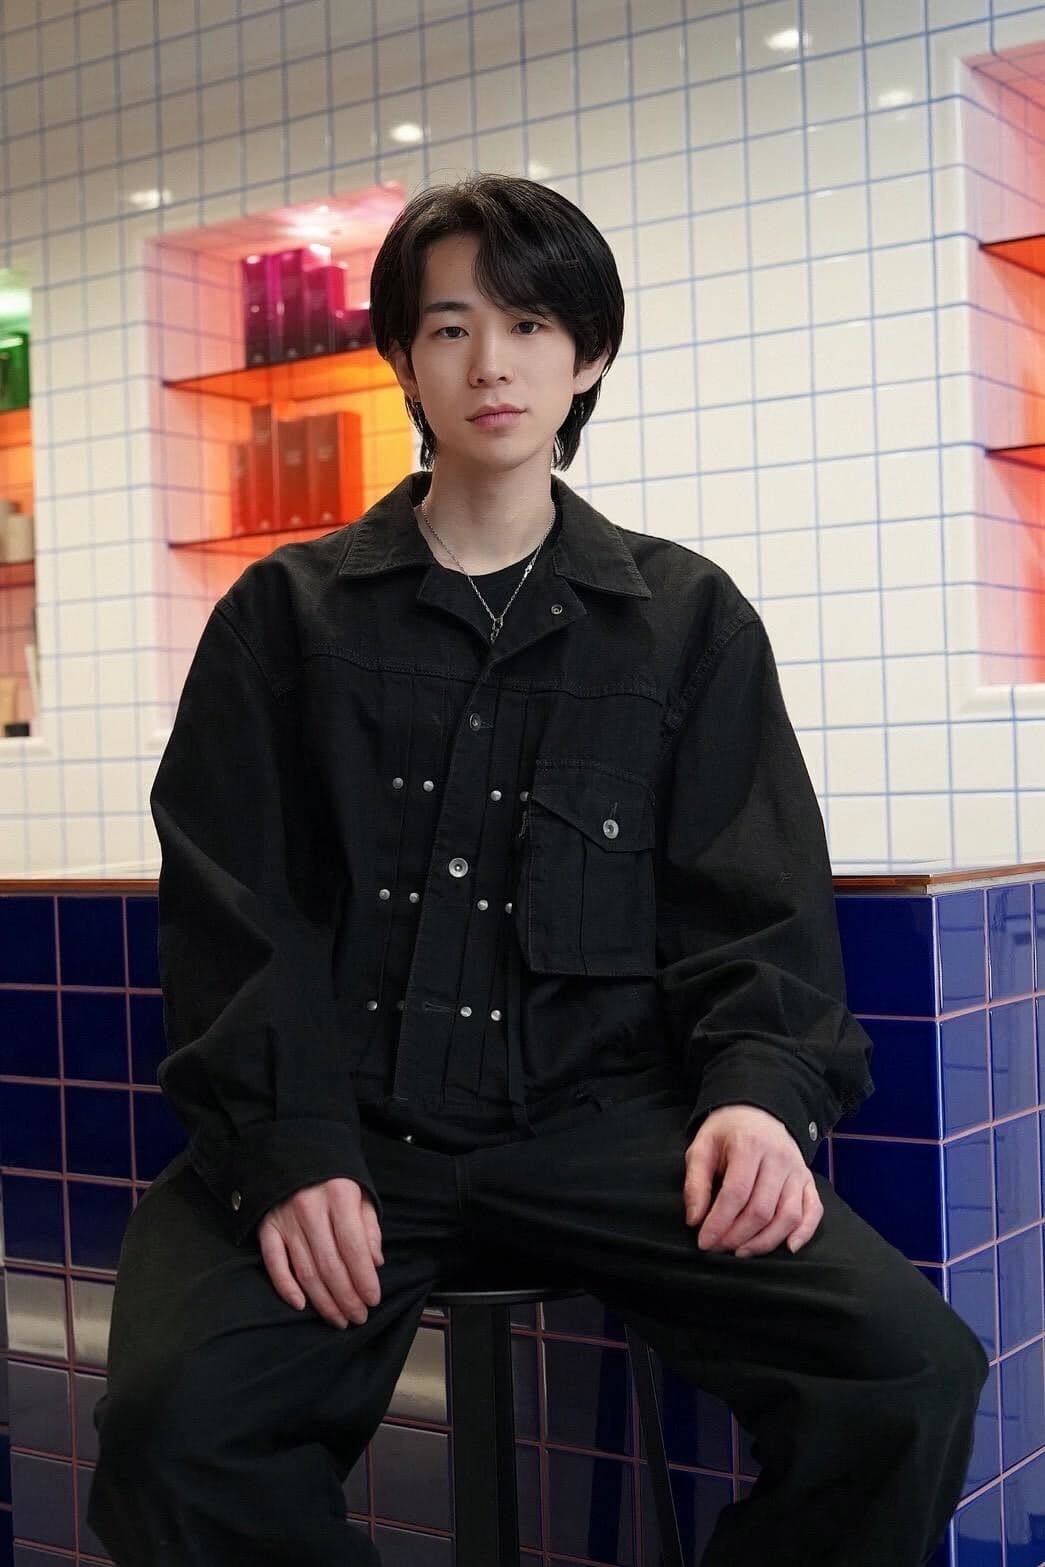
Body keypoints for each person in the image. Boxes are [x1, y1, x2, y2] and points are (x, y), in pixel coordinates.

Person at [86, 173, 988, 1567]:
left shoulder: (685, 621)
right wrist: (288, 1147)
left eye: (527, 324)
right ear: (402, 359)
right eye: (449, 327)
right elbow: (233, 915)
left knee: (905, 1373)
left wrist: (761, 1095)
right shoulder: (284, 617)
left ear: (589, 355)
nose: (490, 363)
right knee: (172, 1432)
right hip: (349, 1125)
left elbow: (754, 907)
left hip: (604, 1126)